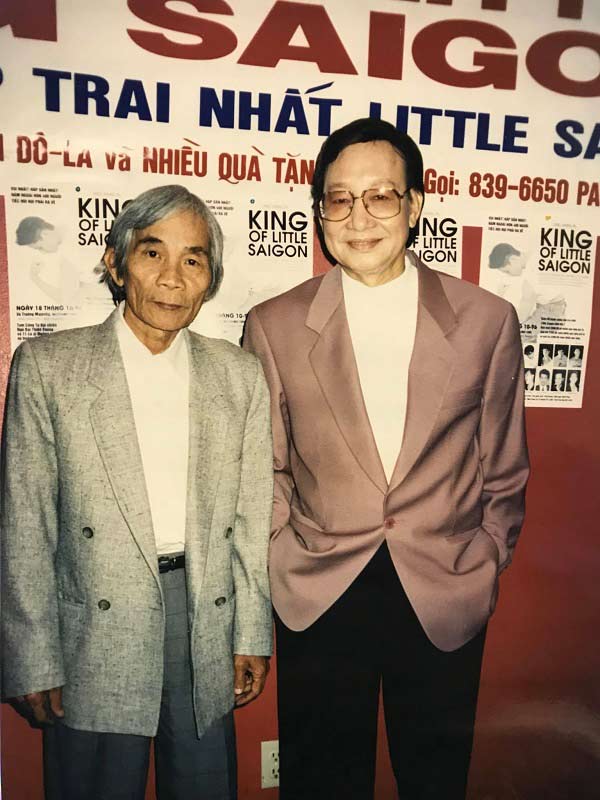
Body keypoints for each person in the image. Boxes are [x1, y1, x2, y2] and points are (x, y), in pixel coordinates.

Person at [243, 118, 529, 800]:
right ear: (319, 213)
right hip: (320, 590)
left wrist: (485, 556)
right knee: (321, 783)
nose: (359, 217)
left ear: (415, 205)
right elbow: (264, 469)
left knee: (435, 781)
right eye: (339, 199)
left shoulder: (487, 320)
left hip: (443, 587)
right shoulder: (273, 325)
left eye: (381, 196)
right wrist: (281, 550)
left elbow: (505, 465)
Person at [1, 185, 273, 800]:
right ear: (116, 263)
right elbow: (25, 526)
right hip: (95, 620)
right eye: (153, 253)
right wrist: (32, 657)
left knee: (205, 785)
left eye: (193, 259)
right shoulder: (49, 367)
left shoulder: (239, 375)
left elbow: (251, 519)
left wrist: (252, 634)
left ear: (211, 279)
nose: (173, 277)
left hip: (203, 612)